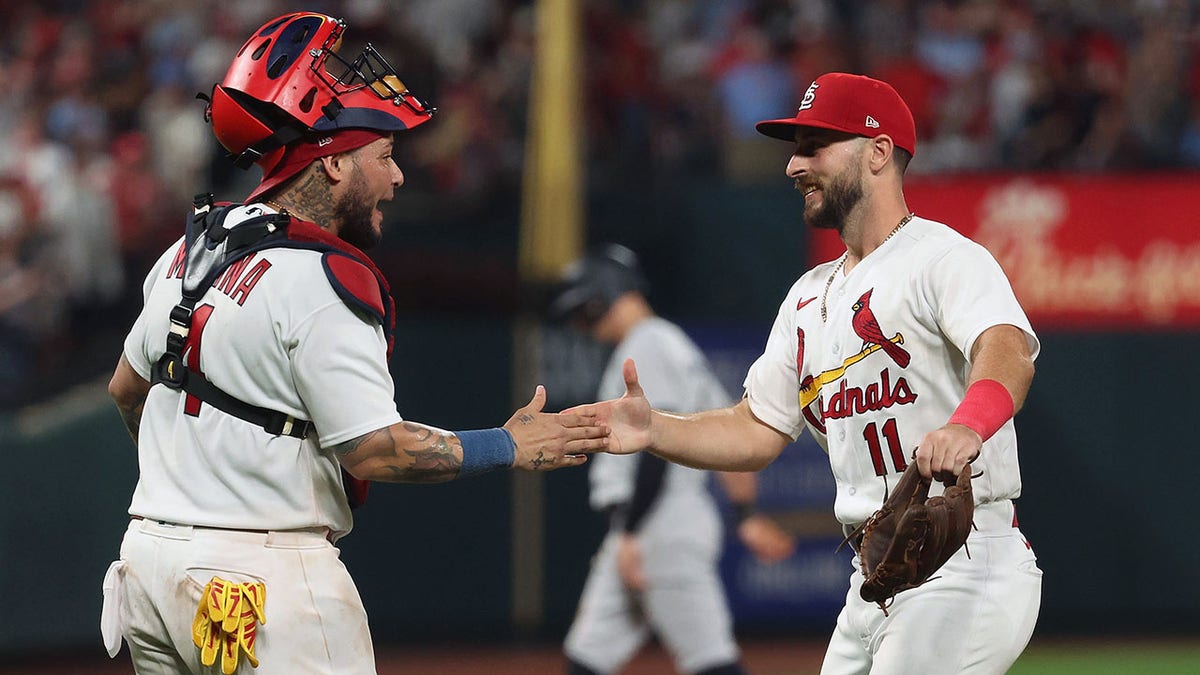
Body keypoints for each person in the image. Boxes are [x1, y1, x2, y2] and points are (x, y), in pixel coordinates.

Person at [101, 12, 607, 674]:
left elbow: (124, 388)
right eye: (386, 155)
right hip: (260, 577)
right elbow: (375, 451)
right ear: (335, 162)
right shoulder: (324, 273)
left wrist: (192, 485)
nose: (397, 178)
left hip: (146, 567)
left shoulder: (187, 249)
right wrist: (510, 443)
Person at [568, 72, 1042, 675]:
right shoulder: (807, 297)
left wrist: (968, 426)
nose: (794, 165)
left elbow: (1007, 349)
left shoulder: (942, 258)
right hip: (873, 575)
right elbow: (755, 429)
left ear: (878, 152)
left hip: (966, 562)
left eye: (815, 145)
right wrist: (654, 428)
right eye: (795, 148)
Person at [551, 244, 795, 675]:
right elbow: (729, 439)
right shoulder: (670, 343)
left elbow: (652, 453)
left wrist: (630, 535)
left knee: (710, 661)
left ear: (601, 297)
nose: (581, 324)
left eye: (582, 310)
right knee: (586, 657)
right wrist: (745, 514)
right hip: (649, 526)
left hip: (658, 528)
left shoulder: (647, 344)